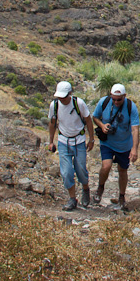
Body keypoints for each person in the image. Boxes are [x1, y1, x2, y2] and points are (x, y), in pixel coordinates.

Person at [47, 81, 94, 211]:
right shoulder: (54, 105)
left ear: (70, 94)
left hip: (79, 141)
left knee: (81, 169)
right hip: (63, 141)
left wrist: (91, 139)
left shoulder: (79, 103)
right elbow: (52, 123)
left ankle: (85, 189)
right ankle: (72, 199)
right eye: (59, 97)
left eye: (63, 96)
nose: (61, 99)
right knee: (66, 172)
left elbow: (88, 120)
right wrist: (51, 141)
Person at [91, 83, 139, 210]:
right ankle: (100, 187)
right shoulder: (104, 102)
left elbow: (135, 129)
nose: (116, 102)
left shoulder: (131, 107)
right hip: (107, 142)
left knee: (122, 170)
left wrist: (134, 149)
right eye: (114, 99)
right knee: (106, 166)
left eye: (119, 99)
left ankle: (121, 196)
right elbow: (95, 117)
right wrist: (102, 125)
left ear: (124, 96)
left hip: (124, 145)